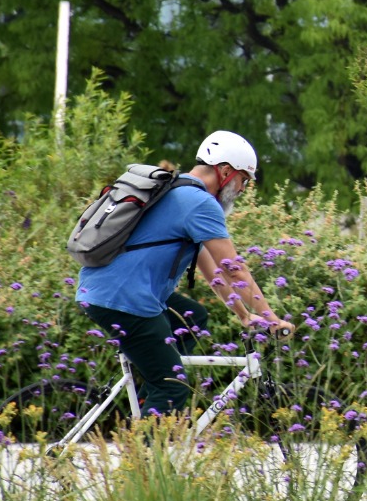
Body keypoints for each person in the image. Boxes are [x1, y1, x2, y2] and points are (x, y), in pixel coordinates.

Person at [75, 131, 293, 416]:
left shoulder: (179, 190)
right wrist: (270, 318)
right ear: (225, 171)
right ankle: (146, 450)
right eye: (243, 179)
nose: (242, 189)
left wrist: (243, 314)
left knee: (192, 318)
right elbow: (233, 268)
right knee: (173, 388)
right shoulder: (200, 203)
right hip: (125, 299)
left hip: (106, 290)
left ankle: (148, 397)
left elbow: (212, 268)